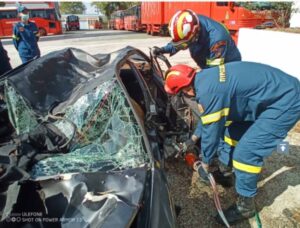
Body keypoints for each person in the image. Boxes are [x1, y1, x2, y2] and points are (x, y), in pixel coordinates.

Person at [164, 62, 300, 225]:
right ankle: (227, 173)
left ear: (186, 90)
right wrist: (192, 139)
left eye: (181, 95)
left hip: (286, 102)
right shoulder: (205, 79)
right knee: (230, 132)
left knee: (246, 153)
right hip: (271, 95)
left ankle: (245, 207)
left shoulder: (208, 92)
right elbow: (209, 119)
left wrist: (205, 163)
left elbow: (212, 133)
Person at [152, 9, 241, 69]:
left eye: (186, 43)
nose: (183, 46)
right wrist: (163, 49)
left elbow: (213, 71)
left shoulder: (217, 40)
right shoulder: (192, 24)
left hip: (228, 68)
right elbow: (180, 43)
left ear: (196, 32)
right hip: (206, 64)